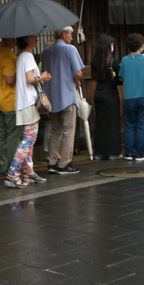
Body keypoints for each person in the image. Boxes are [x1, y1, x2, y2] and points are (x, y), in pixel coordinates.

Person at [5, 35, 51, 188]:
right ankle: (12, 173)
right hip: (28, 102)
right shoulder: (28, 56)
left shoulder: (21, 57)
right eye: (33, 37)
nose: (36, 38)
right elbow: (30, 79)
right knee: (29, 140)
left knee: (28, 139)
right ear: (27, 40)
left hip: (23, 101)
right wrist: (42, 77)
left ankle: (28, 171)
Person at [41, 26, 84, 174]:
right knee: (68, 131)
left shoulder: (46, 51)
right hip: (67, 95)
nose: (71, 37)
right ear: (63, 34)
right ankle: (64, 164)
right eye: (70, 34)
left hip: (51, 96)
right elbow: (78, 72)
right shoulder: (70, 49)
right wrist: (77, 79)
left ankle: (52, 162)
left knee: (55, 130)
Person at [119, 33, 144, 160]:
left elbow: (121, 77)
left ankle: (129, 152)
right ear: (141, 45)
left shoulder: (124, 60)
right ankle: (140, 153)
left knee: (130, 125)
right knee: (142, 125)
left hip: (129, 97)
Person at [0, 35, 20, 179]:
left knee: (2, 135)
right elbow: (9, 80)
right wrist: (22, 74)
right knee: (13, 137)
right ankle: (11, 169)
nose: (16, 39)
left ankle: (1, 169)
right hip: (10, 100)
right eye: (13, 37)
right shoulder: (8, 56)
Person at [90, 33, 122, 159]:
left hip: (98, 92)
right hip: (110, 93)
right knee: (112, 123)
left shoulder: (94, 61)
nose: (113, 46)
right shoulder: (113, 61)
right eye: (112, 44)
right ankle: (113, 152)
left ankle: (99, 152)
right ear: (109, 46)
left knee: (100, 122)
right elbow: (118, 79)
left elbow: (93, 76)